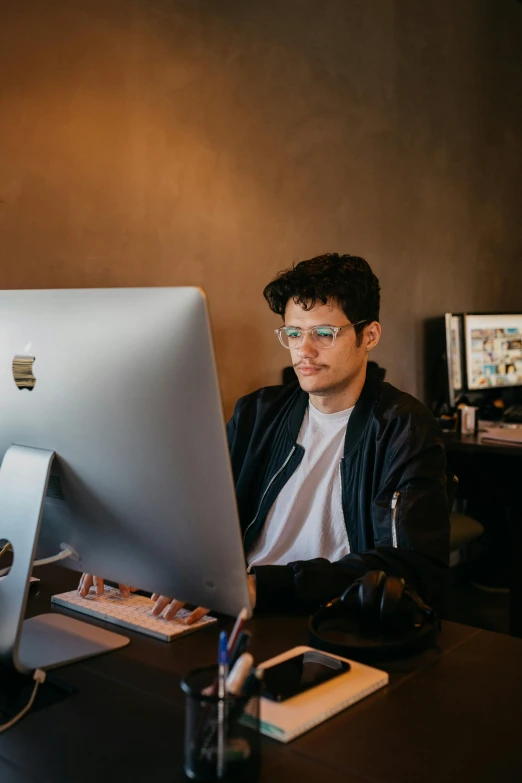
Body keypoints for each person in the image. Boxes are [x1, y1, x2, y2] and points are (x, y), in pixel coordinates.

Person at [79, 253, 450, 621]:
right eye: (293, 333)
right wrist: (129, 555)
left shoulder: (404, 428)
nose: (303, 350)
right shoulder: (257, 414)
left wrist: (261, 586)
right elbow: (196, 510)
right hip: (233, 610)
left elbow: (413, 566)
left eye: (323, 333)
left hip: (328, 618)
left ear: (369, 335)